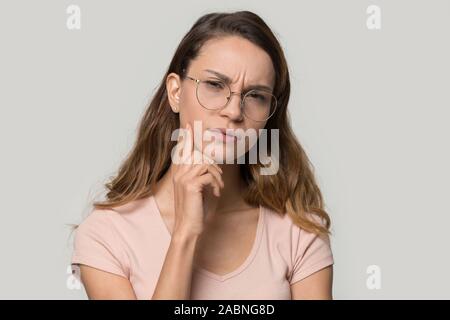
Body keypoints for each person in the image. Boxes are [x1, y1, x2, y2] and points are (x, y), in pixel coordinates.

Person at [71, 10, 334, 300]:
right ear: (175, 91)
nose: (233, 112)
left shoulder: (298, 230)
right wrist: (185, 234)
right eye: (215, 85)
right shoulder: (107, 235)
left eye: (256, 96)